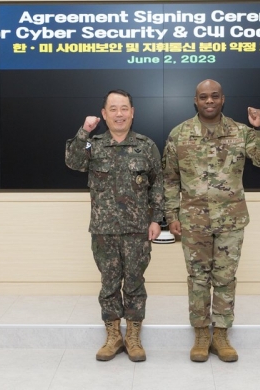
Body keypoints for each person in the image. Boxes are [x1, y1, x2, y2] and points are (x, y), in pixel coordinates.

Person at [162, 79, 260, 362]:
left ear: (223, 99)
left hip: (230, 220)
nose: (209, 101)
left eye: (215, 96)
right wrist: (171, 215)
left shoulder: (241, 132)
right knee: (198, 278)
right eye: (204, 97)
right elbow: (169, 179)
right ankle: (202, 333)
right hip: (193, 221)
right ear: (196, 100)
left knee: (225, 278)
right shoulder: (179, 134)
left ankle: (222, 334)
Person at [65, 89, 164, 362]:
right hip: (104, 230)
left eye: (124, 108)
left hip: (137, 230)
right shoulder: (93, 144)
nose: (119, 114)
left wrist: (157, 219)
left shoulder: (146, 146)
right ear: (104, 114)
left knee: (134, 283)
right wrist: (84, 131)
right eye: (113, 109)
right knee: (109, 284)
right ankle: (112, 336)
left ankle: (133, 337)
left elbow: (159, 184)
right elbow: (73, 162)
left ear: (132, 112)